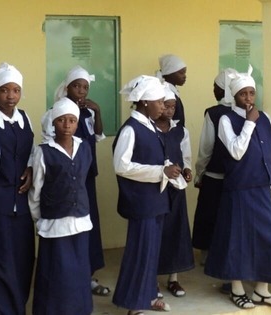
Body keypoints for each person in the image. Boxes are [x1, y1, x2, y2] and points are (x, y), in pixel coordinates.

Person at [204, 70, 271, 310]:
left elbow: (268, 153)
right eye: (243, 94)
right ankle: (237, 289)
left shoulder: (266, 118)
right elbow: (236, 151)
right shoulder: (225, 120)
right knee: (237, 240)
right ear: (234, 96)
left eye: (252, 92)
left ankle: (262, 290)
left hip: (261, 186)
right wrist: (250, 123)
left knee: (269, 237)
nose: (249, 98)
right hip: (238, 188)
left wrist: (270, 181)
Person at [42, 65, 109, 296]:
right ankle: (67, 281)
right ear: (67, 87)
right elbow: (48, 147)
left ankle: (87, 276)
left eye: (85, 87)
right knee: (65, 231)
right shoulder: (56, 113)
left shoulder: (87, 113)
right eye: (76, 86)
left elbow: (98, 136)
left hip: (85, 178)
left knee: (88, 226)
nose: (81, 90)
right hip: (63, 183)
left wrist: (98, 111)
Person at [112, 75, 176, 315]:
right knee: (140, 252)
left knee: (151, 251)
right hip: (142, 203)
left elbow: (151, 157)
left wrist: (170, 168)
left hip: (156, 201)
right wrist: (160, 171)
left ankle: (148, 296)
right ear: (145, 102)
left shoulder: (149, 126)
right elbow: (121, 165)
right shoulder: (131, 129)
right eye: (159, 101)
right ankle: (134, 303)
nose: (163, 105)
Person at [29, 97, 94, 315]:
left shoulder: (84, 148)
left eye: (72, 120)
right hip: (54, 224)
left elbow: (82, 180)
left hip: (80, 222)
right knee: (56, 274)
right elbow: (36, 190)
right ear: (53, 123)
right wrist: (39, 218)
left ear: (77, 123)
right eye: (61, 120)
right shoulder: (44, 151)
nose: (67, 125)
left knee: (79, 272)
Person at [0, 63, 34, 314]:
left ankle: (19, 306)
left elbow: (33, 153)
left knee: (24, 259)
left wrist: (32, 168)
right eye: (4, 90)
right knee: (1, 262)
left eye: (16, 90)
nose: (11, 96)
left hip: (22, 205)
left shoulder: (25, 118)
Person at [192, 68, 236, 266]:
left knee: (208, 216)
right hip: (235, 177)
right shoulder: (244, 112)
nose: (214, 90)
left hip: (213, 175)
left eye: (216, 87)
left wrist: (199, 173)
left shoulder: (213, 113)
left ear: (224, 90)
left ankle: (208, 256)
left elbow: (206, 148)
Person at [154, 87, 194, 297]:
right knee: (156, 232)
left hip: (176, 188)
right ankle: (152, 279)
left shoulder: (180, 131)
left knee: (177, 230)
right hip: (155, 188)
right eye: (165, 106)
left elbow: (185, 156)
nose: (169, 111)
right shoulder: (149, 129)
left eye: (172, 107)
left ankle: (173, 278)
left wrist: (187, 170)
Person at [158, 54, 187, 126]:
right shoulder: (166, 93)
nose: (185, 76)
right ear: (169, 73)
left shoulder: (173, 92)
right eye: (181, 73)